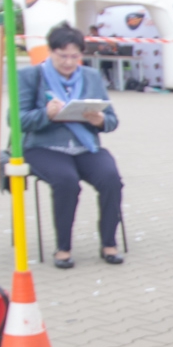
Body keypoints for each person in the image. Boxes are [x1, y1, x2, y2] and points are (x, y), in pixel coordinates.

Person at [18, 24, 123, 268]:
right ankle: (63, 247)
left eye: (74, 56)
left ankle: (109, 242)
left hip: (85, 145)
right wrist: (46, 114)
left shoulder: (91, 77)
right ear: (50, 52)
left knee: (110, 178)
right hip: (44, 146)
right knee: (66, 181)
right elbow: (17, 120)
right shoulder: (31, 76)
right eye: (62, 56)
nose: (68, 62)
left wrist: (100, 121)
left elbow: (112, 120)